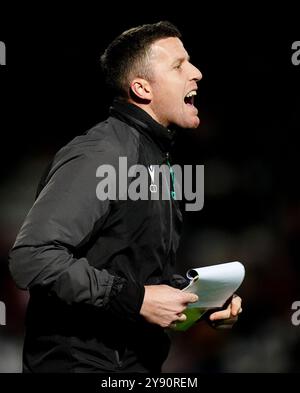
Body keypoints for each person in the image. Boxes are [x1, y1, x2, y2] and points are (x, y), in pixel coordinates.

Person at [9, 21, 242, 373]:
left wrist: (201, 302)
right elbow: (32, 258)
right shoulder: (100, 153)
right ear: (141, 87)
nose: (196, 72)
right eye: (178, 65)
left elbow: (132, 272)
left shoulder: (155, 158)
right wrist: (137, 300)